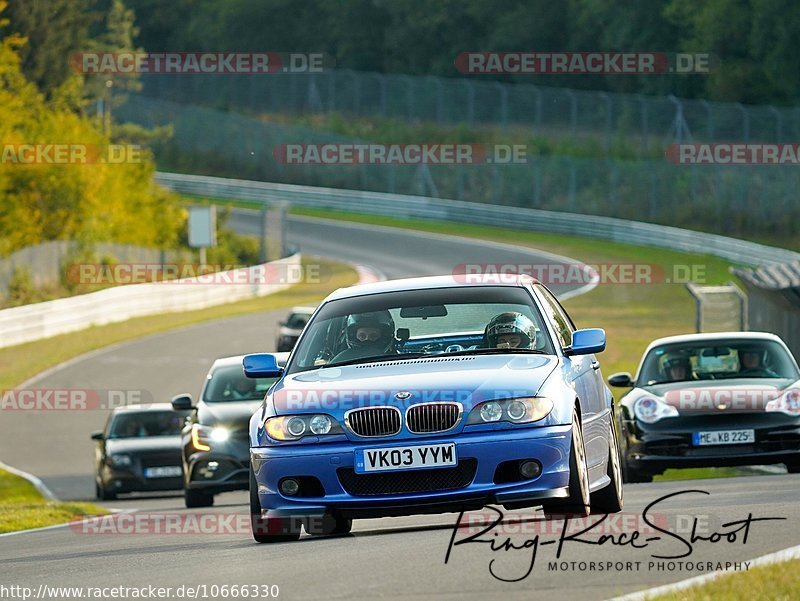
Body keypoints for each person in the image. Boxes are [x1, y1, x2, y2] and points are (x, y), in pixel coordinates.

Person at [332, 310, 396, 362]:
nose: (367, 340)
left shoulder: (398, 360)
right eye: (362, 336)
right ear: (353, 336)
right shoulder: (339, 361)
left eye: (373, 336)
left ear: (383, 337)